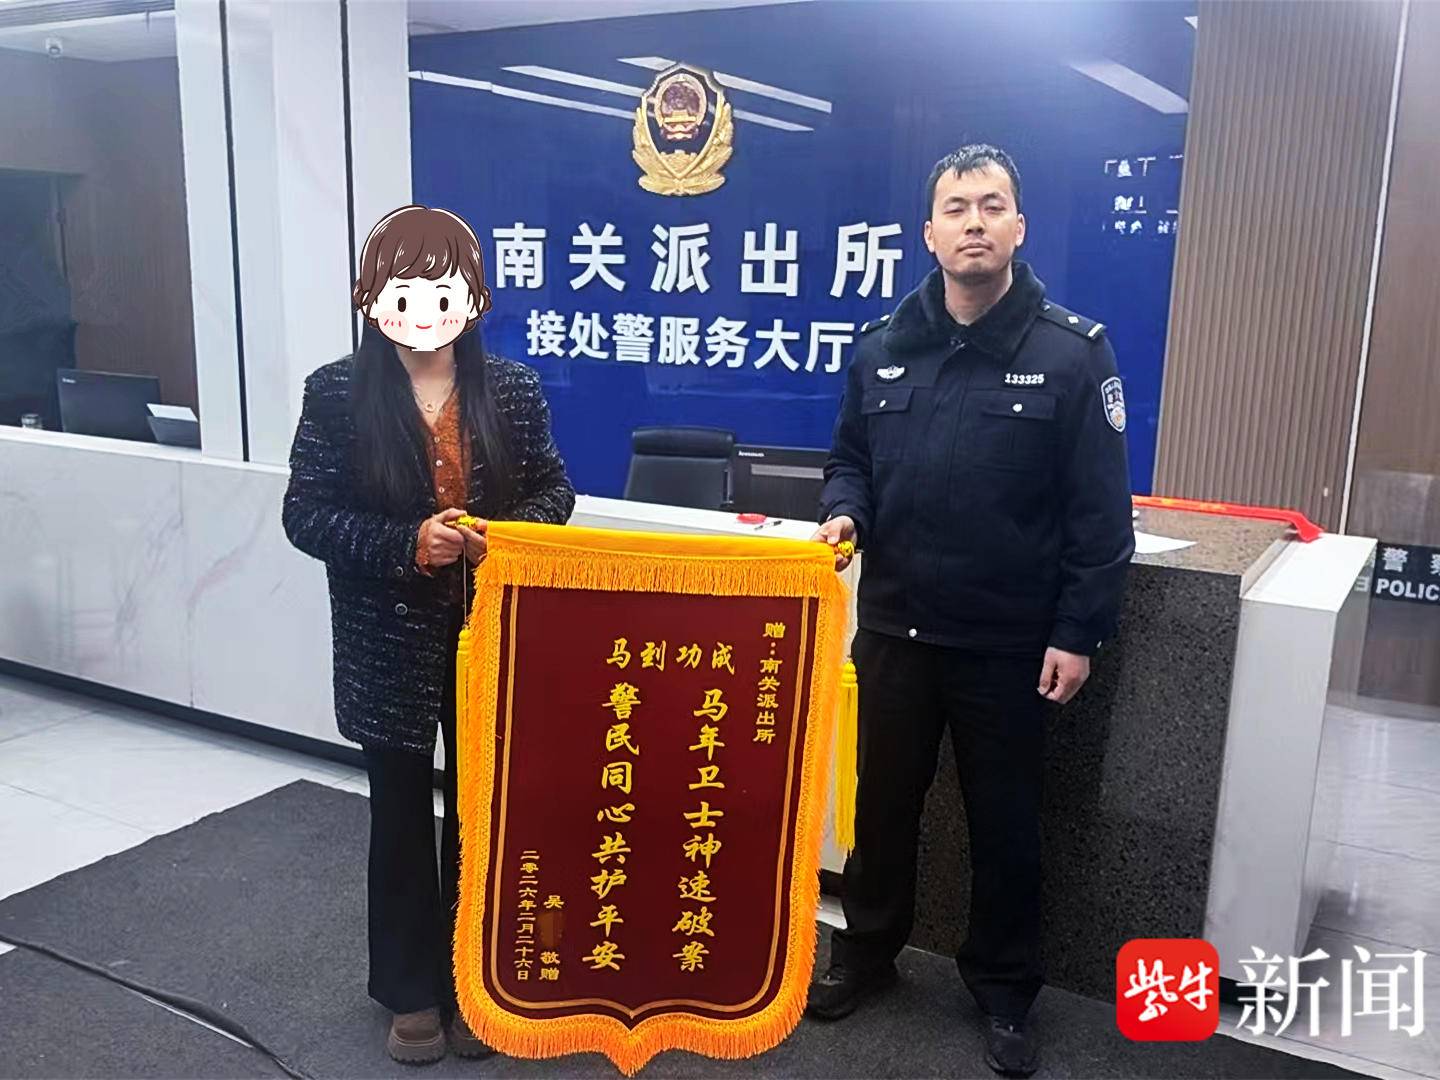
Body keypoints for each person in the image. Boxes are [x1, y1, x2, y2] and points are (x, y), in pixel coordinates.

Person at [807, 146, 1133, 1078]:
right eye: (957, 208)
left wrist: (1078, 632)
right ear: (930, 232)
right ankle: (869, 951)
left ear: (1019, 227)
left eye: (993, 206)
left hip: (1009, 645)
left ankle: (1005, 989)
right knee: (882, 810)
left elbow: (1100, 516)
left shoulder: (1071, 353)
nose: (975, 223)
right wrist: (846, 511)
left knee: (1006, 825)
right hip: (896, 633)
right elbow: (849, 459)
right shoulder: (882, 346)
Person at [282, 205, 575, 1064]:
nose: (423, 309)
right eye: (402, 291)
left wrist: (503, 536)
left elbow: (555, 491)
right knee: (401, 816)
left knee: (484, 815)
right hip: (385, 643)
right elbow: (307, 515)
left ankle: (475, 983)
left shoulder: (510, 388)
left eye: (442, 290)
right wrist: (407, 543)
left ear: (473, 298)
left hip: (490, 636)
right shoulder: (336, 393)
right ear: (372, 297)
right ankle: (411, 992)